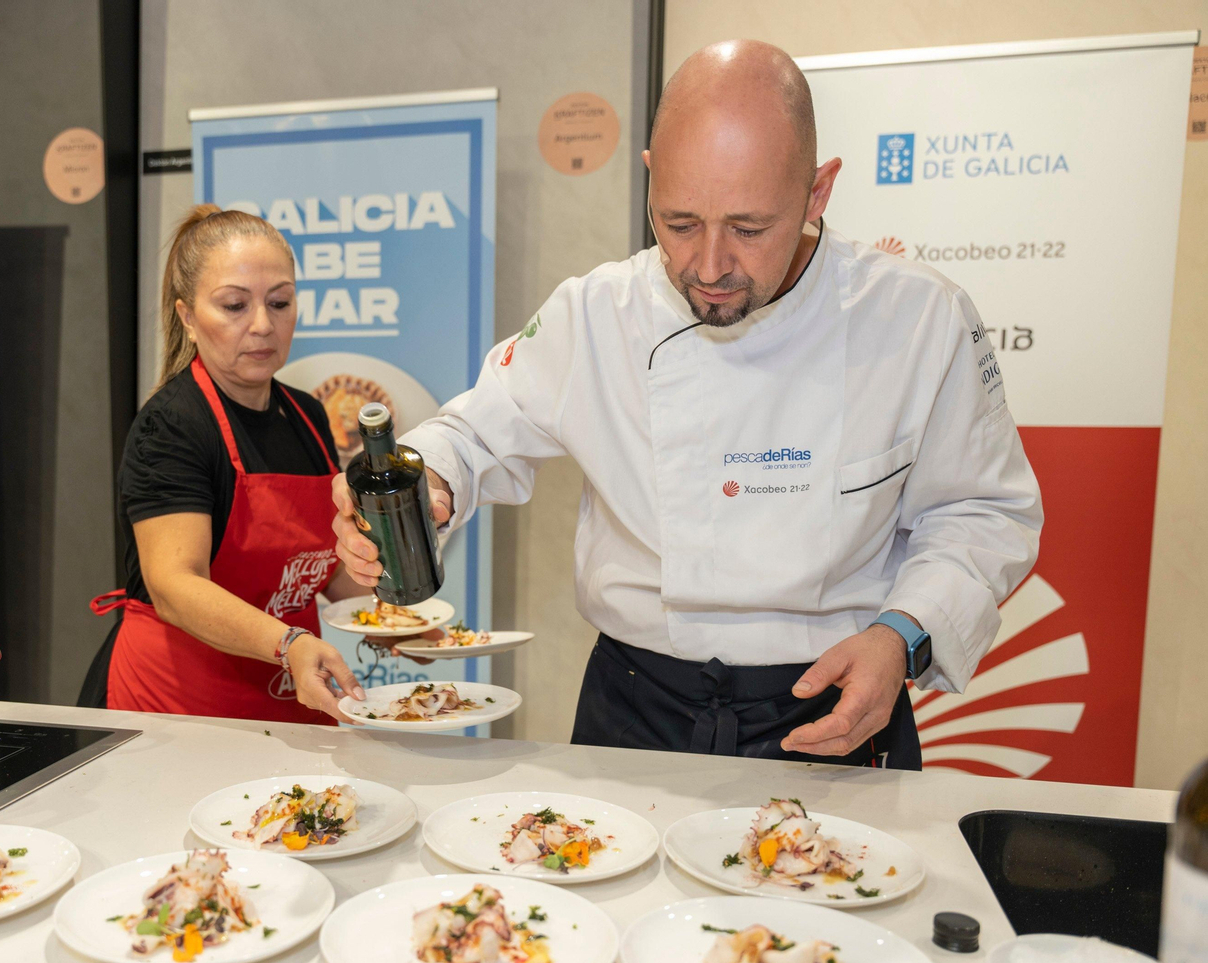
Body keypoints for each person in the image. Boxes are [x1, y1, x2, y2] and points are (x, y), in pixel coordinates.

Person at [331, 40, 1043, 769]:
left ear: (817, 193)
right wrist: (428, 480)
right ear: (650, 176)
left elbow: (984, 513)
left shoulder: (918, 319)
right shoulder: (597, 313)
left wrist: (903, 635)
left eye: (749, 229)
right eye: (677, 224)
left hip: (836, 702)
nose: (708, 265)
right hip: (633, 705)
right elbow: (472, 433)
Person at [94, 205, 369, 724]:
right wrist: (289, 644)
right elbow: (175, 585)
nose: (263, 325)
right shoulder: (171, 426)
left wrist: (396, 616)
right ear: (187, 318)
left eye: (280, 302)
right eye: (235, 305)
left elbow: (324, 569)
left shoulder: (308, 416)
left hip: (289, 696)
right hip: (179, 708)